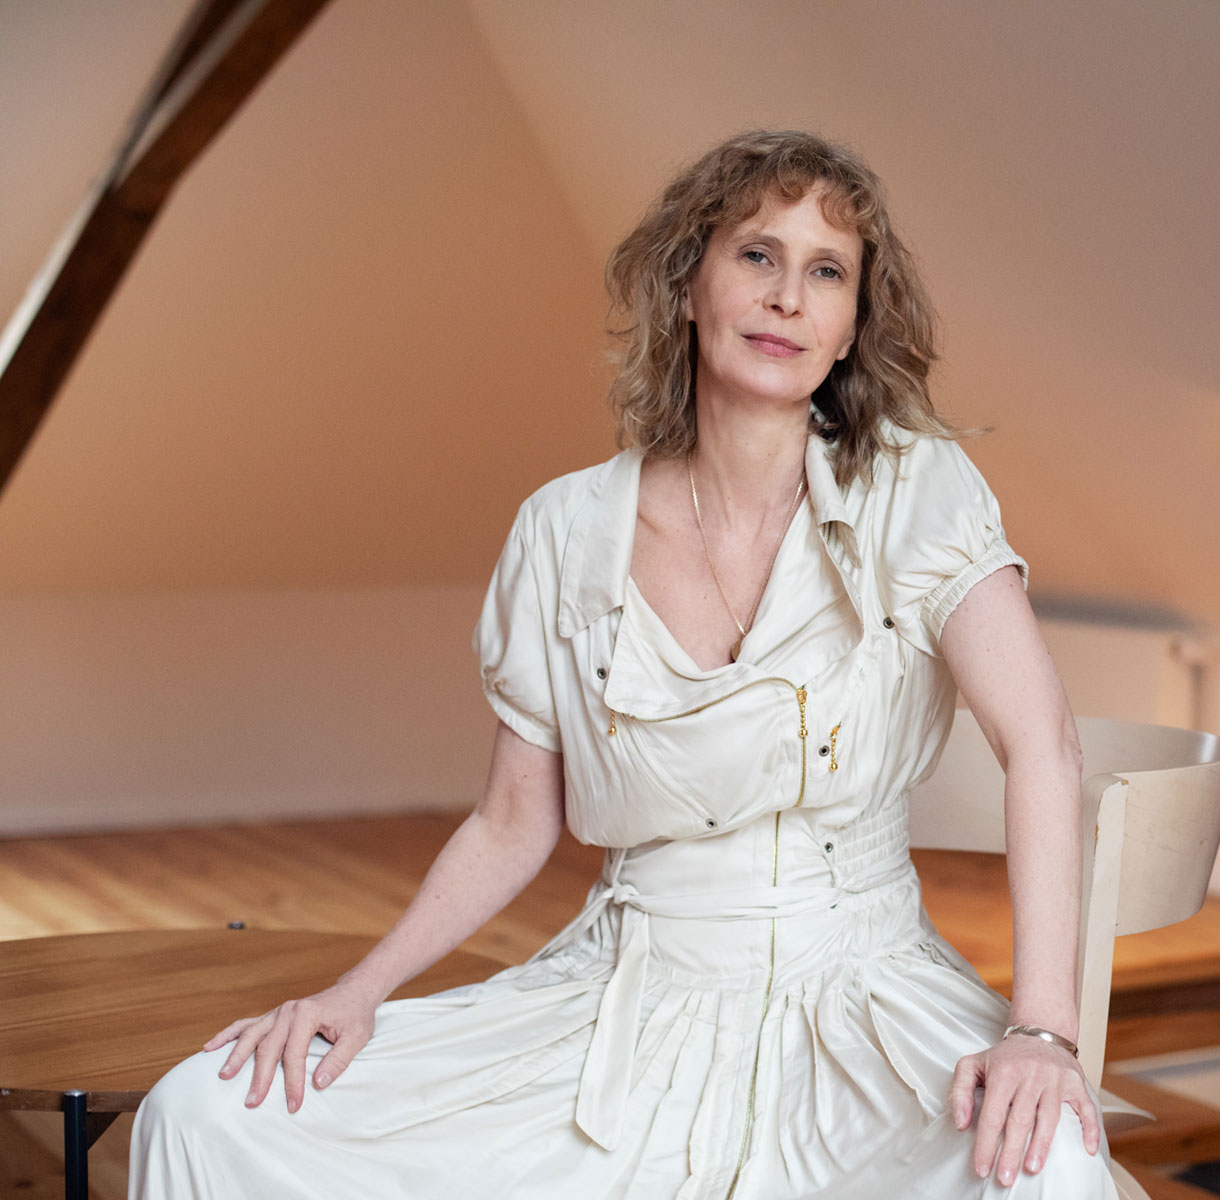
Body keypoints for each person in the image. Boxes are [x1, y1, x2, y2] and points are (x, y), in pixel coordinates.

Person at [131, 129, 1119, 1198]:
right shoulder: (562, 530)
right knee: (205, 1113)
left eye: (827, 271)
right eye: (757, 255)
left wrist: (1043, 1031)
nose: (787, 297)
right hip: (628, 999)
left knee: (1046, 1170)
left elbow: (1042, 746)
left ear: (850, 329)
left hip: (869, 1000)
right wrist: (356, 992)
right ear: (688, 285)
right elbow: (512, 823)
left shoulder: (918, 488)